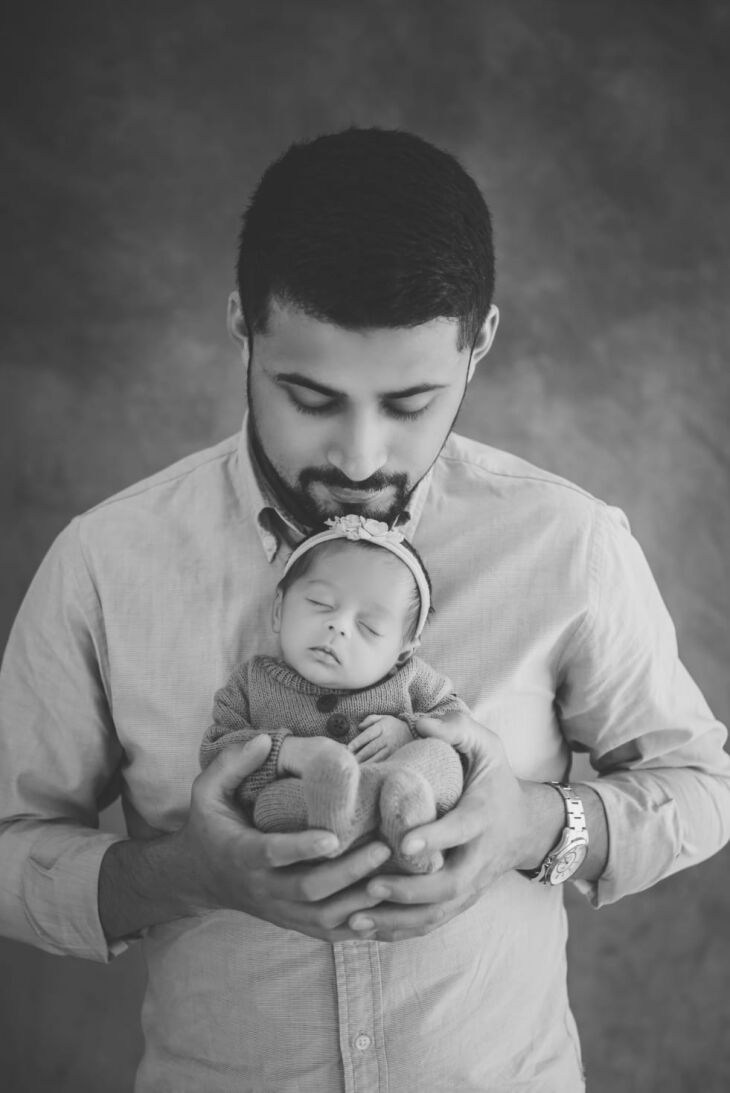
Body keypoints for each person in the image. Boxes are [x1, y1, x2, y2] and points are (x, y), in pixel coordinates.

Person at [0, 127, 728, 1093]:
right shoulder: (104, 562)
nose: (356, 455)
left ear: (483, 345)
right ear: (241, 329)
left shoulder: (569, 544)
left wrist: (533, 828)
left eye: (412, 401)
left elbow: (702, 783)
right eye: (309, 395)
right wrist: (188, 874)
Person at [199, 514, 467, 874]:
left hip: (403, 787)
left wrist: (410, 729)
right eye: (321, 604)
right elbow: (216, 751)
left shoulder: (412, 679)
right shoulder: (251, 682)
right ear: (278, 611)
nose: (338, 626)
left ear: (402, 652)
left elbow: (458, 725)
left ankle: (406, 828)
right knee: (270, 805)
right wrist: (284, 752)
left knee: (439, 754)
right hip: (311, 804)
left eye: (369, 627)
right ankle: (354, 820)